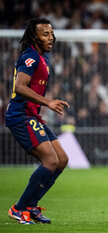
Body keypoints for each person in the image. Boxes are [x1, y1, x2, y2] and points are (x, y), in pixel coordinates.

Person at [5, 18, 69, 224]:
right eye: (45, 34)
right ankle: (19, 208)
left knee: (61, 159)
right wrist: (48, 102)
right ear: (34, 37)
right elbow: (20, 86)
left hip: (32, 116)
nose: (51, 38)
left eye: (51, 34)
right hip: (20, 115)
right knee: (50, 161)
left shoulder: (43, 57)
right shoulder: (30, 57)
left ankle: (31, 206)